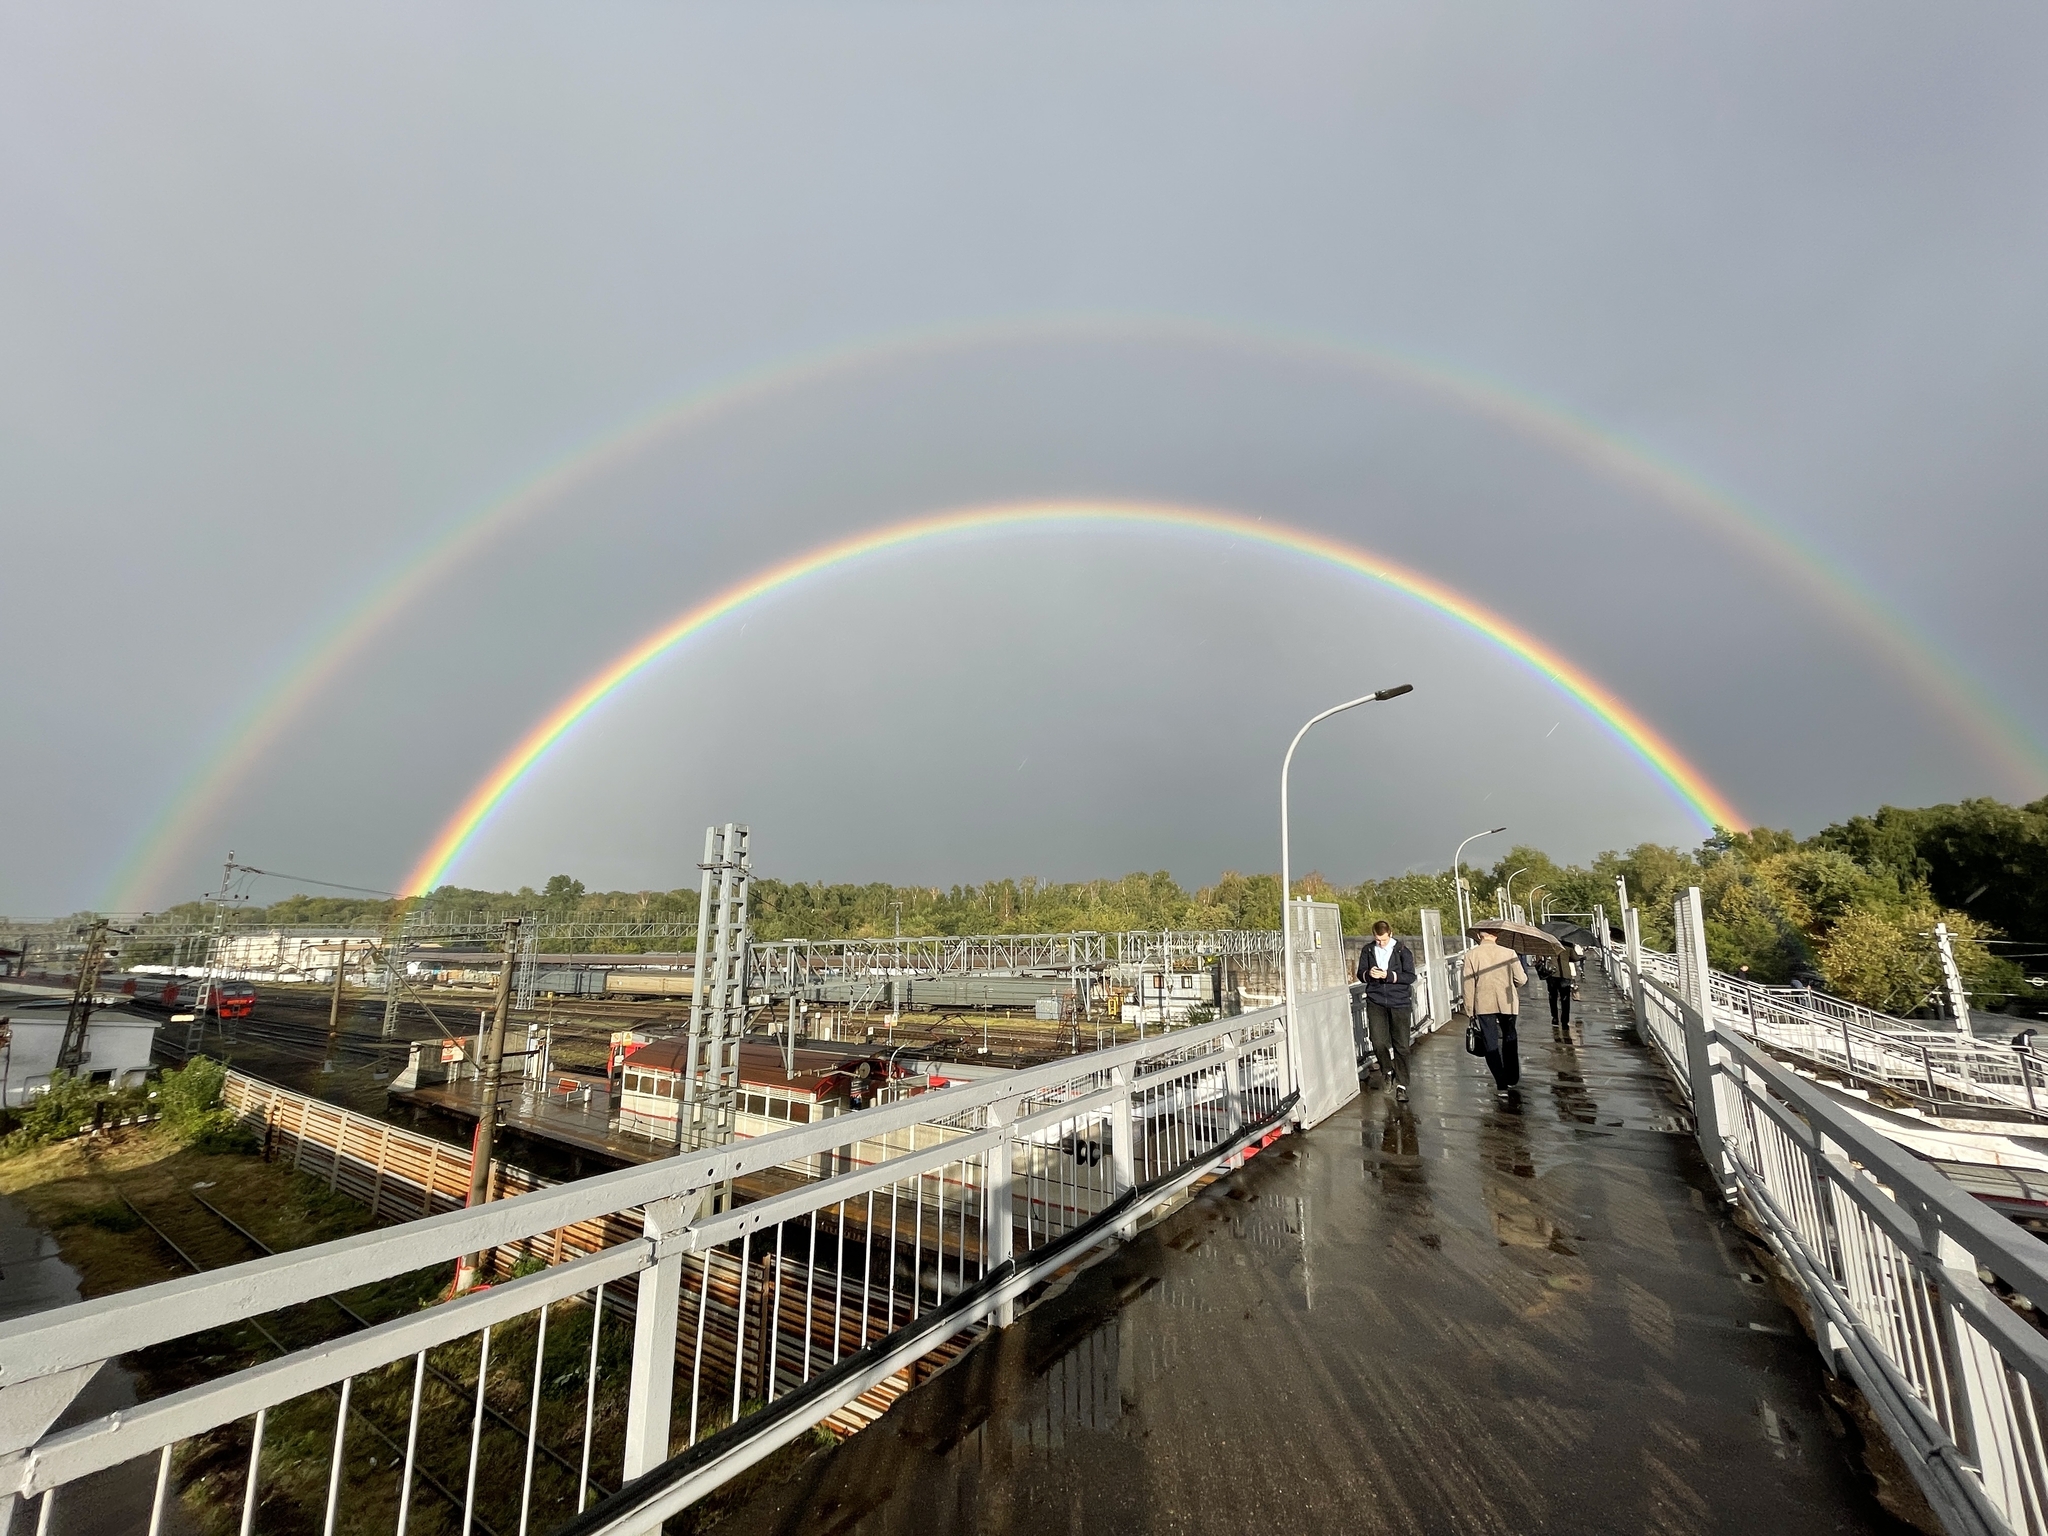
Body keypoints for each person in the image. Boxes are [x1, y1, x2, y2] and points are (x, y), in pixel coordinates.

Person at [1357, 920, 1418, 1102]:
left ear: (1390, 933)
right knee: (1377, 1041)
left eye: (1383, 940)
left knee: (1401, 1045)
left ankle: (1402, 1085)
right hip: (1376, 1001)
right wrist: (1369, 974)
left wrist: (1388, 976)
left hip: (1399, 1002)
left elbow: (1410, 976)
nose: (1380, 943)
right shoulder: (1368, 950)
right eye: (1377, 940)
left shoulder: (1402, 951)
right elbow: (1360, 973)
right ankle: (1387, 1070)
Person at [1461, 929, 1528, 1096]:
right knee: (1509, 1038)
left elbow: (1468, 985)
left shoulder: (1471, 955)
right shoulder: (1509, 953)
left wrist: (1469, 1009)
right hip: (1508, 1003)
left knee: (1490, 1043)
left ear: (1479, 936)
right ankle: (1512, 1077)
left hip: (1484, 1005)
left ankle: (1501, 1084)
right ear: (1496, 936)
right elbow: (1522, 979)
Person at [1544, 943, 1579, 1036]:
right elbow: (1575, 958)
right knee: (1565, 998)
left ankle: (1555, 1017)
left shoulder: (1551, 944)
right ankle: (1565, 1019)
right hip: (1565, 975)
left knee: (1552, 996)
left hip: (1552, 974)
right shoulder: (1568, 945)